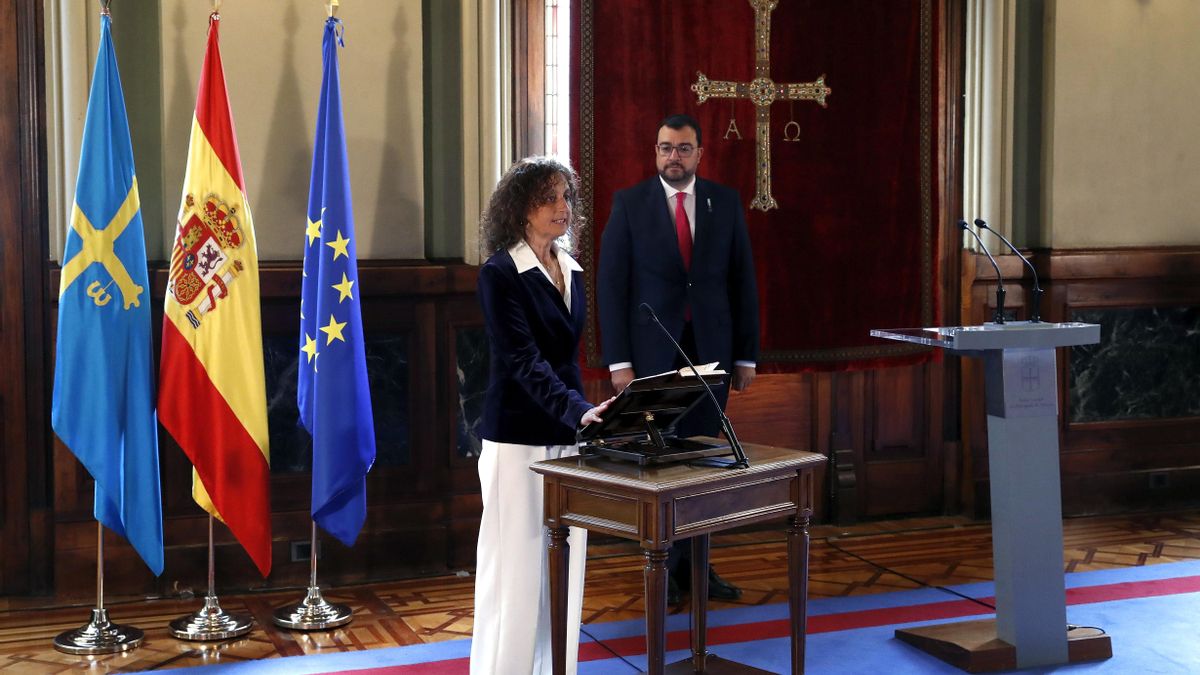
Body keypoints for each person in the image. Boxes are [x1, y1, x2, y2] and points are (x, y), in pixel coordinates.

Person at [597, 114, 759, 604]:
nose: (674, 156)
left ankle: (698, 569)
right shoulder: (630, 204)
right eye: (666, 147)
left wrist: (746, 355)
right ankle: (663, 571)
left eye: (684, 148)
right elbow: (611, 287)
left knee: (703, 463)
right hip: (652, 354)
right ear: (655, 152)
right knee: (662, 467)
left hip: (712, 351)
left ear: (699, 154)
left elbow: (742, 281)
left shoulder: (723, 202)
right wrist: (618, 363)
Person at [471, 156, 614, 675]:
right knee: (516, 572)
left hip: (569, 434)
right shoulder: (500, 273)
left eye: (565, 197)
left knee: (565, 567)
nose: (562, 207)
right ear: (520, 208)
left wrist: (586, 418)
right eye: (548, 197)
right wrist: (580, 411)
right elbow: (524, 362)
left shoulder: (570, 267)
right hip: (518, 439)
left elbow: (567, 361)